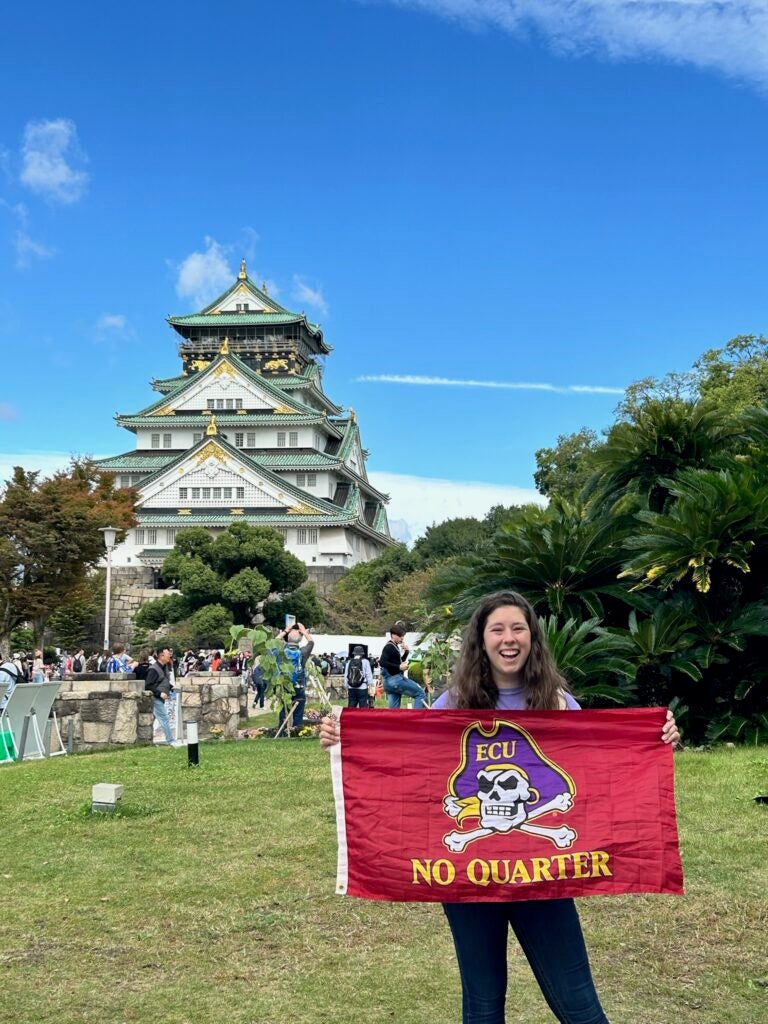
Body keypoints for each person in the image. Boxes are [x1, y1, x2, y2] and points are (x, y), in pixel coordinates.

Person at [320, 590, 680, 1024]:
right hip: (469, 880)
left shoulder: (560, 705)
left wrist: (654, 742)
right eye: (497, 629)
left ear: (532, 637)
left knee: (580, 1004)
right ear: (482, 640)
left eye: (518, 628)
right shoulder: (451, 706)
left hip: (545, 876)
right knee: (483, 1005)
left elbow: (599, 770)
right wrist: (348, 743)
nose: (508, 639)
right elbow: (409, 766)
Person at [277, 622, 314, 734]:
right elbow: (311, 642)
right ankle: (297, 730)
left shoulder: (282, 651)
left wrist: (285, 631)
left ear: (287, 638)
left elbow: (272, 642)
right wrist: (304, 632)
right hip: (299, 683)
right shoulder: (303, 652)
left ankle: (283, 730)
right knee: (299, 708)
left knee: (284, 708)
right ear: (300, 639)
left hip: (285, 683)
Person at [380, 625, 427, 708]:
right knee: (420, 694)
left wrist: (406, 652)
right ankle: (417, 719)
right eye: (400, 636)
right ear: (393, 635)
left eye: (403, 636)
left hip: (388, 683)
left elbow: (399, 662)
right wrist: (399, 667)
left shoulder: (394, 646)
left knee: (394, 712)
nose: (402, 638)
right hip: (395, 680)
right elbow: (382, 662)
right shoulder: (389, 647)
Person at [144, 646, 180, 746]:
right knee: (164, 718)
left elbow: (163, 681)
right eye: (168, 654)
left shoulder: (164, 667)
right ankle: (171, 740)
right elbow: (148, 685)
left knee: (153, 720)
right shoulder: (153, 669)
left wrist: (171, 687)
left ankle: (147, 741)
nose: (170, 656)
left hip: (160, 698)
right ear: (161, 656)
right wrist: (159, 693)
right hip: (156, 698)